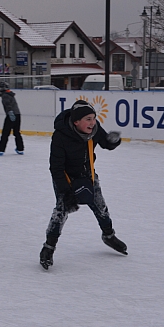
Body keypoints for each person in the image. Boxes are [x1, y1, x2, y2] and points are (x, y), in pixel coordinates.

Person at [39, 100, 126, 270]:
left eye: (94, 118)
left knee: (100, 206)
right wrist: (66, 192)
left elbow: (105, 143)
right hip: (65, 178)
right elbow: (56, 168)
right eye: (88, 119)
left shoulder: (93, 129)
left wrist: (112, 140)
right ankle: (48, 248)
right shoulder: (60, 136)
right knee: (61, 212)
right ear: (76, 121)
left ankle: (108, 235)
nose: (92, 122)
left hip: (88, 175)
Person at [0, 81, 24, 156]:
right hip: (17, 115)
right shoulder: (11, 94)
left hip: (11, 115)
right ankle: (20, 148)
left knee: (5, 133)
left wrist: (10, 113)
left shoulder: (5, 95)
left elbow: (8, 105)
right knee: (17, 132)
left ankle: (1, 149)